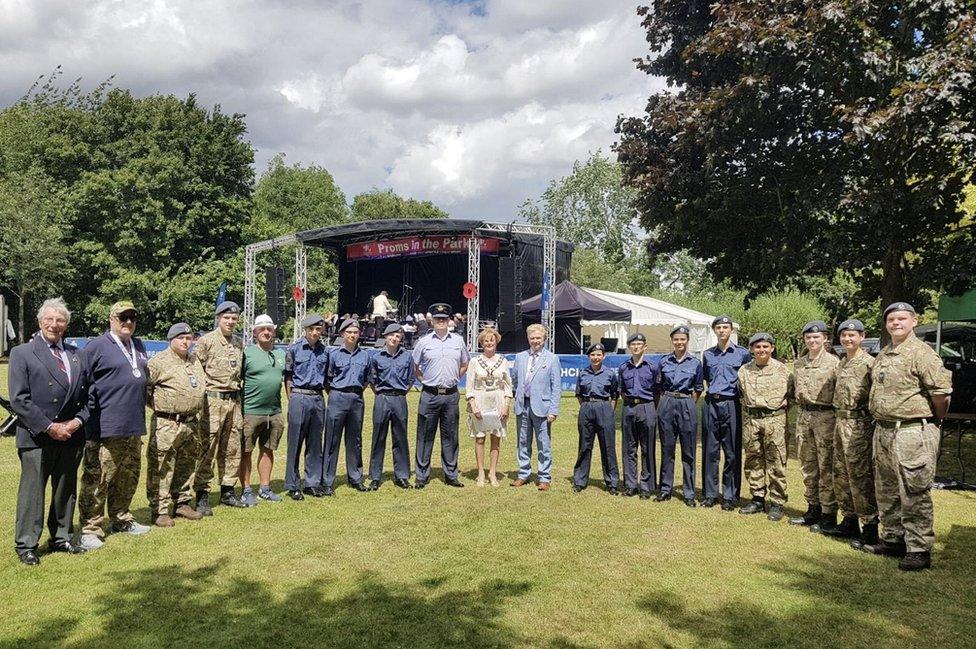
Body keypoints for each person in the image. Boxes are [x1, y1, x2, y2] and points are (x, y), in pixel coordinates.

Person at [862, 302, 952, 571]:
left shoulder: (922, 353)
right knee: (886, 488)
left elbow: (941, 394)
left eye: (902, 318)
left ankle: (918, 548)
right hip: (885, 430)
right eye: (891, 319)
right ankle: (893, 539)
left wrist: (934, 420)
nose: (896, 323)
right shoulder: (886, 352)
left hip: (912, 431)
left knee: (914, 490)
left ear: (914, 321)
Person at [9, 298, 89, 565]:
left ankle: (62, 536)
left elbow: (90, 397)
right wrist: (50, 427)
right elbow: (19, 399)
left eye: (60, 320)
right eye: (50, 319)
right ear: (40, 322)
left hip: (71, 434)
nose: (55, 325)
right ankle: (27, 544)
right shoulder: (22, 353)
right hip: (37, 435)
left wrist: (76, 422)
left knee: (66, 488)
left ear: (67, 324)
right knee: (33, 492)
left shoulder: (77, 354)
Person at [78, 300, 152, 550]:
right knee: (97, 480)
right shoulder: (96, 347)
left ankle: (121, 518)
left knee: (127, 477)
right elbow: (82, 384)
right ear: (111, 319)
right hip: (104, 428)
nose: (128, 322)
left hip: (133, 427)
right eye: (123, 317)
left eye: (132, 317)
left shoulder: (139, 345)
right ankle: (90, 527)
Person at [145, 323, 207, 527]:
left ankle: (182, 503)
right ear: (171, 339)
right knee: (162, 466)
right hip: (167, 422)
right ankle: (159, 509)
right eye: (181, 338)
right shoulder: (158, 362)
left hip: (190, 422)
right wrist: (160, 406)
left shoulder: (194, 360)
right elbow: (144, 388)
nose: (185, 342)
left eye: (188, 338)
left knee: (187, 464)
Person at [827, 319, 878, 547]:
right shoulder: (842, 363)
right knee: (841, 473)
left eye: (852, 335)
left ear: (862, 336)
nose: (848, 339)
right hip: (840, 422)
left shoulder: (870, 363)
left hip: (859, 425)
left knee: (860, 476)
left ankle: (869, 526)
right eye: (844, 336)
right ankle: (849, 520)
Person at [194, 300, 246, 511]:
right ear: (218, 318)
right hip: (212, 401)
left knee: (232, 447)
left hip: (233, 401)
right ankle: (202, 494)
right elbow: (196, 371)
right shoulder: (206, 341)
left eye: (234, 318)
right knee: (208, 447)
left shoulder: (239, 343)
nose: (230, 322)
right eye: (226, 318)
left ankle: (227, 490)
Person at [789, 321, 841, 533]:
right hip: (804, 417)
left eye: (816, 337)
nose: (812, 340)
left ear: (825, 339)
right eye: (808, 337)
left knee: (826, 467)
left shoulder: (834, 363)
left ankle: (828, 514)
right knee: (808, 466)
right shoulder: (799, 364)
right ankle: (813, 509)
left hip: (826, 417)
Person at [412, 303, 470, 488]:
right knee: (424, 435)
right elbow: (415, 367)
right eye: (437, 319)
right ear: (432, 321)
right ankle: (421, 475)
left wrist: (453, 379)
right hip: (430, 394)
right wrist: (426, 381)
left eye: (444, 319)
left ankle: (451, 475)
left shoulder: (458, 341)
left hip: (451, 395)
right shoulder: (423, 342)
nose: (441, 322)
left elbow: (464, 364)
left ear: (449, 320)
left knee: (450, 436)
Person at [737, 332, 792, 521]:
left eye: (765, 347)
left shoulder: (783, 370)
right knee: (753, 460)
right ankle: (757, 498)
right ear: (751, 349)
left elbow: (791, 397)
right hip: (751, 421)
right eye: (757, 347)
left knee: (776, 461)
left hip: (775, 421)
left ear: (772, 348)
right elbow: (741, 395)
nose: (761, 350)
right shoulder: (744, 371)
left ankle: (777, 502)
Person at [701, 315, 752, 510]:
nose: (722, 330)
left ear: (731, 330)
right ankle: (710, 494)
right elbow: (707, 379)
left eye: (725, 327)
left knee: (731, 451)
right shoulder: (707, 355)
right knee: (710, 450)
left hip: (732, 404)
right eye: (719, 327)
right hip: (711, 404)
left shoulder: (742, 354)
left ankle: (730, 495)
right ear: (714, 331)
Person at [239, 315, 286, 506]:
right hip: (250, 411)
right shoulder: (247, 354)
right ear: (255, 333)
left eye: (269, 329)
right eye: (262, 329)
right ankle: (246, 490)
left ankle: (265, 489)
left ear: (274, 331)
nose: (266, 332)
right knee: (246, 452)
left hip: (274, 412)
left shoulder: (281, 354)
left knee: (268, 450)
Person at [283, 314, 329, 499]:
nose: (315, 333)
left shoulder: (325, 352)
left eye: (318, 329)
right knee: (295, 442)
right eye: (312, 329)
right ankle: (293, 485)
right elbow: (288, 377)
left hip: (317, 398)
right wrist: (292, 398)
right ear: (306, 330)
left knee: (315, 443)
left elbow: (327, 378)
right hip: (299, 396)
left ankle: (312, 482)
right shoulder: (294, 349)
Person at [657, 325, 704, 507]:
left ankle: (689, 492)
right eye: (676, 339)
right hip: (667, 402)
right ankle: (665, 489)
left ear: (687, 340)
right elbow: (659, 385)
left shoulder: (695, 363)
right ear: (672, 341)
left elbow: (698, 388)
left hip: (686, 403)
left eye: (682, 339)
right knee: (667, 449)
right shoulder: (664, 362)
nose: (679, 342)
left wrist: (687, 402)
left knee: (688, 451)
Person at [511, 324, 561, 491]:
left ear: (544, 339)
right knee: (523, 441)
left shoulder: (552, 358)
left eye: (538, 338)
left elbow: (556, 387)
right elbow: (515, 380)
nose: (535, 341)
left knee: (543, 443)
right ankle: (523, 473)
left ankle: (544, 477)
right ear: (528, 339)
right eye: (532, 338)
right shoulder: (520, 357)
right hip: (522, 405)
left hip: (542, 408)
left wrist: (553, 410)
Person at [323, 318, 370, 493]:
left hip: (356, 398)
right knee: (332, 440)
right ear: (343, 334)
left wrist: (354, 391)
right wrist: (337, 394)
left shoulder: (365, 355)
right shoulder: (333, 354)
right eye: (349, 332)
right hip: (337, 397)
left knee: (355, 440)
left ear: (359, 335)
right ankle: (327, 481)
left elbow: (366, 379)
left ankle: (356, 477)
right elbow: (327, 379)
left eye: (355, 332)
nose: (352, 335)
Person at [366, 323, 414, 490]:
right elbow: (372, 380)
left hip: (399, 398)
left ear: (401, 339)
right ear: (385, 337)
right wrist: (381, 394)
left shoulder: (407, 357)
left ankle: (401, 475)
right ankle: (375, 476)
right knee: (378, 437)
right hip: (382, 398)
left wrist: (399, 394)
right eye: (391, 336)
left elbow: (410, 380)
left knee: (400, 438)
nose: (394, 339)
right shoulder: (376, 357)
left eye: (398, 337)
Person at [465, 327, 512, 487]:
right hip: (480, 400)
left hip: (498, 401)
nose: (489, 343)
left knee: (495, 438)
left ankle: (492, 472)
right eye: (486, 341)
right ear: (481, 343)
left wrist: (506, 405)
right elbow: (469, 385)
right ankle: (480, 472)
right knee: (479, 438)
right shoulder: (474, 361)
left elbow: (508, 385)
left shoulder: (503, 361)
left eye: (492, 340)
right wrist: (473, 405)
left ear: (496, 341)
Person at [572, 343, 620, 495]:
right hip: (587, 407)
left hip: (604, 407)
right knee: (584, 446)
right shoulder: (583, 373)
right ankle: (580, 480)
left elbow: (614, 395)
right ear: (588, 357)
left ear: (604, 356)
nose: (596, 357)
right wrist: (588, 406)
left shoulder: (610, 374)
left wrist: (608, 410)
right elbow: (579, 394)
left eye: (599, 354)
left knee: (608, 447)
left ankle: (612, 482)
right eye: (593, 355)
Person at [617, 332, 660, 499]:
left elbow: (657, 392)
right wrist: (630, 404)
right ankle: (630, 485)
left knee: (647, 448)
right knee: (629, 448)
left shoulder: (653, 367)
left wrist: (649, 407)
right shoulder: (623, 367)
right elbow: (621, 390)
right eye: (633, 345)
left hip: (647, 406)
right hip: (629, 407)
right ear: (629, 347)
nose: (636, 347)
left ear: (645, 347)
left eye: (639, 344)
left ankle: (646, 486)